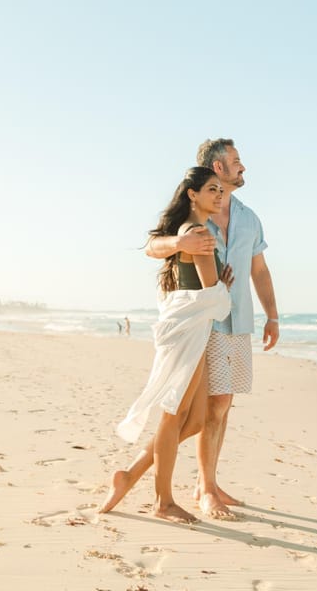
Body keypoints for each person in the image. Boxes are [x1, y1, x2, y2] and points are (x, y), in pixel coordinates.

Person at [148, 138, 279, 519]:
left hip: (238, 321)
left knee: (221, 406)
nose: (243, 167)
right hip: (201, 324)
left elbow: (260, 271)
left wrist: (272, 316)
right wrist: (179, 241)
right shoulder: (192, 213)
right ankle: (200, 488)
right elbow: (153, 246)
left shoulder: (249, 218)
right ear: (217, 167)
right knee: (192, 410)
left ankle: (207, 481)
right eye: (236, 161)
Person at [100, 167, 233, 523]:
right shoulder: (198, 233)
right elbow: (215, 299)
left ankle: (129, 474)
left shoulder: (189, 231)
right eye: (211, 189)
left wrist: (219, 286)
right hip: (190, 333)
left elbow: (206, 288)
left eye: (221, 190)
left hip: (192, 330)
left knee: (198, 418)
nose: (219, 196)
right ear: (192, 194)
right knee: (174, 417)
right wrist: (223, 290)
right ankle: (163, 502)